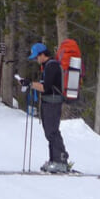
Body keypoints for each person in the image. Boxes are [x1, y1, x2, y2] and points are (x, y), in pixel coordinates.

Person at [26, 42, 70, 172]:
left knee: (52, 131)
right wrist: (30, 84)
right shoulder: (47, 66)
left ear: (43, 54)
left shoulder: (52, 66)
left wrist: (30, 84)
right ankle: (54, 160)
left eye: (36, 57)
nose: (36, 60)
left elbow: (46, 88)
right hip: (48, 102)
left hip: (53, 102)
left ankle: (61, 161)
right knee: (49, 132)